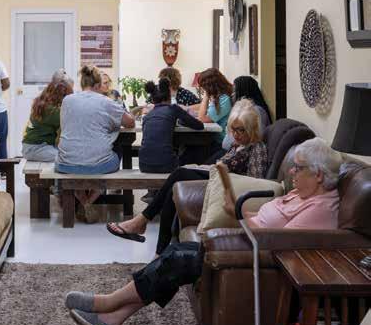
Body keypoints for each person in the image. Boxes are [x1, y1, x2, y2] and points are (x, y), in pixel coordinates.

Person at [66, 137, 342, 325]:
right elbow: (262, 218)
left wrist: (241, 221)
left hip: (251, 258)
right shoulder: (301, 195)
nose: (292, 173)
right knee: (174, 255)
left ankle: (107, 304)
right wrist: (236, 209)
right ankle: (113, 320)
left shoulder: (320, 208)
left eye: (298, 168)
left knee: (176, 259)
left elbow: (278, 243)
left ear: (318, 174)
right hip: (243, 242)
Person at [107, 103, 267, 254]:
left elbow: (255, 181)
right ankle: (159, 250)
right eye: (234, 130)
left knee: (179, 174)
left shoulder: (257, 148)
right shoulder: (237, 145)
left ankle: (142, 222)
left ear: (252, 129)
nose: (236, 134)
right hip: (216, 178)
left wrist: (227, 177)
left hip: (225, 185)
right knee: (174, 187)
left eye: (241, 130)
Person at [55, 65, 135, 214]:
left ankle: (82, 199)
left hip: (66, 164)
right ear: (98, 85)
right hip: (99, 166)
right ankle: (89, 202)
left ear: (82, 83)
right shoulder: (106, 101)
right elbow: (130, 122)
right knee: (117, 147)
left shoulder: (67, 100)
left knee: (78, 160)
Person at [139, 78, 204, 174]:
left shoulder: (147, 116)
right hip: (166, 165)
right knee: (191, 151)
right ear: (169, 96)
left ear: (153, 100)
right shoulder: (173, 108)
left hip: (144, 165)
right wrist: (181, 120)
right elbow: (199, 125)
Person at [179, 68, 233, 165]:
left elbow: (202, 119)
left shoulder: (224, 99)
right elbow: (205, 107)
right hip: (212, 138)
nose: (203, 89)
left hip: (219, 142)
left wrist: (206, 96)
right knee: (187, 150)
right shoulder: (219, 97)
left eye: (204, 87)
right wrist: (186, 108)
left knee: (188, 151)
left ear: (210, 86)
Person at [22, 72, 74, 162]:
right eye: (66, 95)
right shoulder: (51, 110)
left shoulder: (45, 103)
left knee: (67, 154)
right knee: (66, 158)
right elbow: (70, 121)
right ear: (60, 94)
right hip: (36, 148)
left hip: (35, 146)